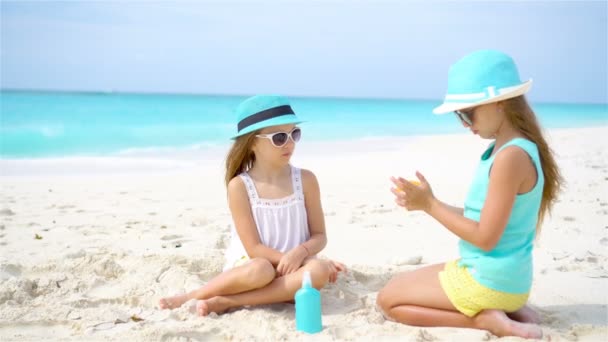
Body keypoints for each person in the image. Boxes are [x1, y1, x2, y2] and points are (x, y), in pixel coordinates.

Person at [376, 50, 563, 339]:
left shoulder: (510, 157)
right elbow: (485, 219)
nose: (464, 123)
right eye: (458, 115)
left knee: (388, 300)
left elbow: (485, 237)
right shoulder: (509, 149)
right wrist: (428, 202)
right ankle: (510, 309)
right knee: (399, 284)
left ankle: (485, 321)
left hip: (489, 280)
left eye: (467, 112)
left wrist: (430, 205)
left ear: (499, 102)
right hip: (501, 276)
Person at [159, 94, 346, 316]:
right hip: (253, 267)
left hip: (295, 266)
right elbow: (254, 249)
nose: (290, 143)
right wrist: (292, 258)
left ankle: (228, 301)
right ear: (253, 142)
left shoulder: (306, 180)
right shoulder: (240, 186)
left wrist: (301, 254)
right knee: (262, 270)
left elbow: (319, 235)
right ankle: (192, 296)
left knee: (318, 271)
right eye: (279, 137)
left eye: (294, 133)